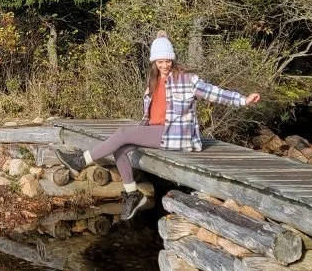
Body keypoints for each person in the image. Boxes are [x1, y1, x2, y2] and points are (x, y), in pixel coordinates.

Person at [55, 31, 261, 220]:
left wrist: (243, 100)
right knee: (119, 149)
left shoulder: (187, 80)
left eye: (168, 61)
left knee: (122, 132)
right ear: (154, 62)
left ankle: (82, 161)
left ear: (173, 59)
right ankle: (132, 194)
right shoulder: (153, 80)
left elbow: (215, 93)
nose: (165, 65)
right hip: (155, 130)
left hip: (175, 134)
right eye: (160, 61)